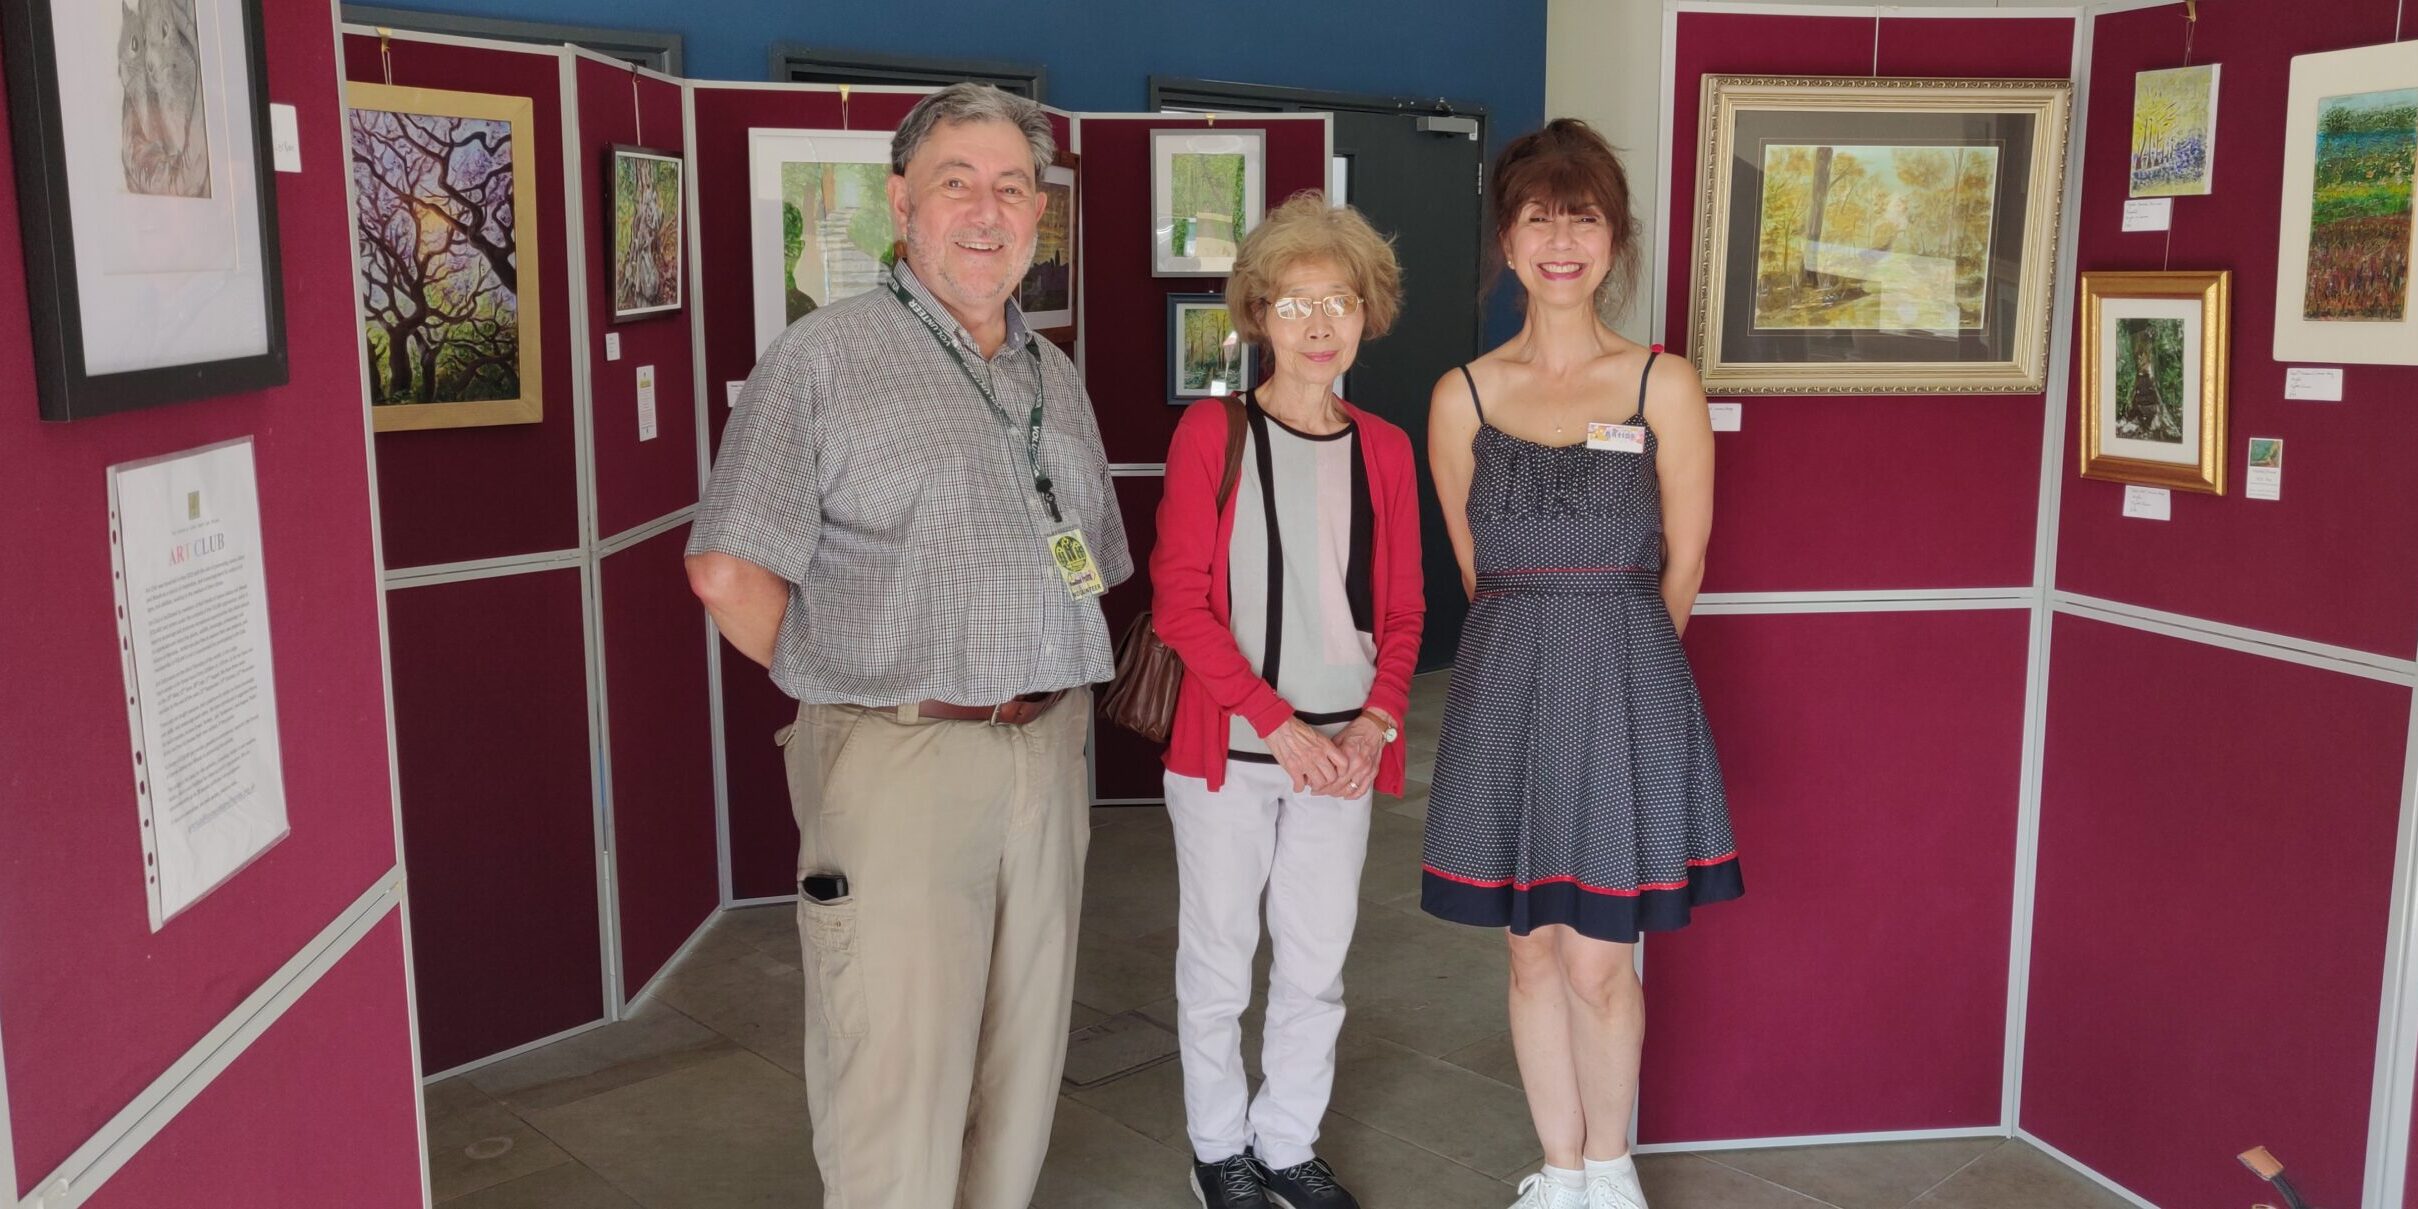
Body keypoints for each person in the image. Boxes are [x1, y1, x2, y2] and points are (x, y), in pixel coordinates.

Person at [684, 83, 1130, 1209]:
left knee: (1018, 1073)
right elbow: (728, 572)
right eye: (956, 184)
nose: (987, 212)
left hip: (1047, 752)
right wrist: (854, 679)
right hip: (902, 758)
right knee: (896, 1082)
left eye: (1012, 188)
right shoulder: (821, 359)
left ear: (1041, 212)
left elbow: (1086, 554)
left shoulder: (1050, 372)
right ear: (901, 204)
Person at [1419, 120, 1743, 1209]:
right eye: (1539, 218)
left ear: (1616, 238)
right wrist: (1552, 648)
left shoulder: (1662, 383)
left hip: (1628, 680)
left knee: (1600, 957)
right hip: (1508, 684)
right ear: (1506, 240)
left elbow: (1686, 561)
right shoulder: (1460, 396)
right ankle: (1558, 1174)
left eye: (1585, 218)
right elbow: (1479, 571)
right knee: (1527, 954)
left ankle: (1613, 1169)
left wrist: (1620, 674)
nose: (1562, 241)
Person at [1150, 192, 1426, 1209]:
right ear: (1258, 315)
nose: (1319, 324)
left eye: (1340, 300)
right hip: (1230, 750)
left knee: (1316, 969)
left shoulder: (1387, 448)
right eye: (1296, 301)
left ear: (1368, 312)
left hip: (1343, 754)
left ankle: (1286, 1143)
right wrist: (1275, 723)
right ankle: (1218, 1149)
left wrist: (1374, 723)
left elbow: (1405, 611)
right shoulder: (1212, 435)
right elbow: (1178, 606)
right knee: (1220, 965)